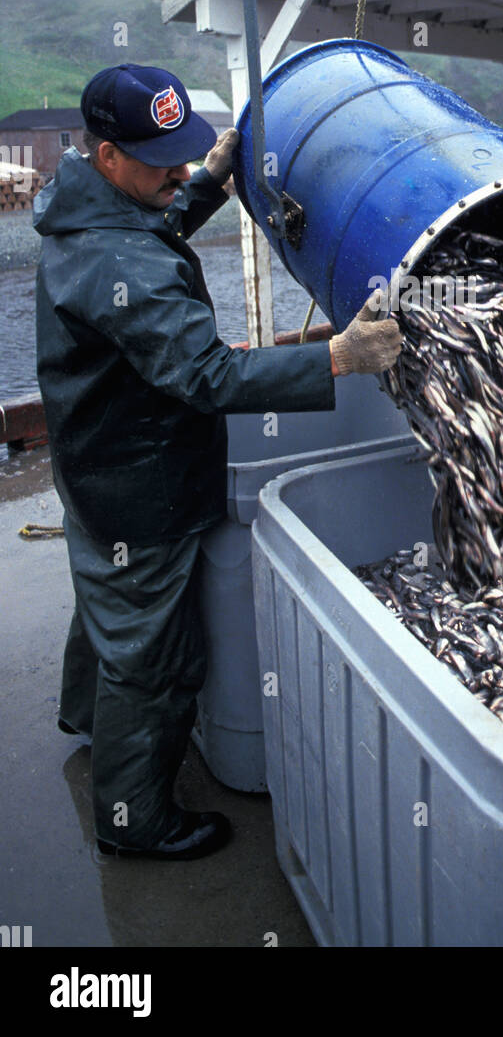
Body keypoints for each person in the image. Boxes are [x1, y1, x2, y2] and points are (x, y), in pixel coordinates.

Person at [34, 63, 401, 862]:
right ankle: (136, 821)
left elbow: (152, 221)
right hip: (140, 483)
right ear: (107, 157)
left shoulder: (88, 208)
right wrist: (337, 356)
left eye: (184, 151)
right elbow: (208, 375)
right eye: (161, 158)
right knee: (152, 658)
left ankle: (89, 725)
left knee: (105, 610)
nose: (176, 169)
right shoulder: (120, 265)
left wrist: (205, 182)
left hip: (94, 466)